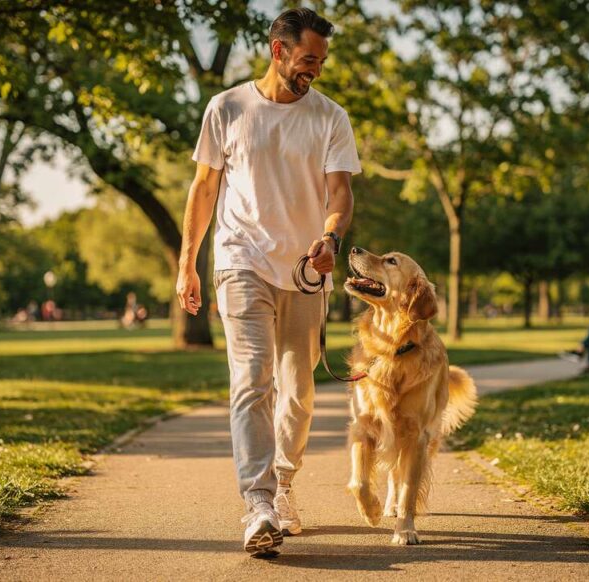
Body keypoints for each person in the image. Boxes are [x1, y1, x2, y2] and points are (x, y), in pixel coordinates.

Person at [175, 8, 359, 557]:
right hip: (240, 261)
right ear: (277, 50)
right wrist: (188, 263)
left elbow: (340, 194)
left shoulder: (330, 116)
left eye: (321, 61)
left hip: (304, 272)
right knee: (252, 378)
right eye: (308, 59)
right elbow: (203, 189)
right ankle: (257, 505)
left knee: (297, 395)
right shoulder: (227, 108)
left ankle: (283, 484)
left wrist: (330, 240)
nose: (315, 70)